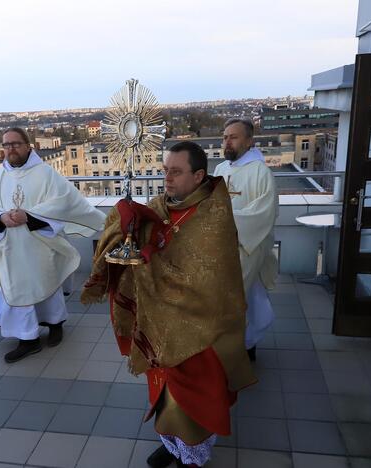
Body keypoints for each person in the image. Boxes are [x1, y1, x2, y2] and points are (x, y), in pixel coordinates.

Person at [82, 141, 255, 468]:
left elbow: (204, 279)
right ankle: (172, 444)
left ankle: (191, 454)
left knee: (194, 399)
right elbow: (138, 239)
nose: (167, 178)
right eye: (164, 171)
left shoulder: (214, 215)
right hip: (159, 323)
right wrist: (125, 224)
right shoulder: (161, 205)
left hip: (200, 328)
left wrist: (150, 258)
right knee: (162, 389)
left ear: (198, 174)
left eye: (176, 172)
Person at [0, 128, 106, 363]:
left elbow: (65, 201)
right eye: (6, 145)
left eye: (16, 144)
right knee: (18, 289)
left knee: (47, 283)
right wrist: (0, 217)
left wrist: (30, 216)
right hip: (11, 247)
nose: (11, 149)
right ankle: (28, 339)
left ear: (29, 146)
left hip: (40, 243)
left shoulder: (46, 174)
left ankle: (56, 325)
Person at [213, 118, 278, 361]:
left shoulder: (261, 172)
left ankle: (245, 343)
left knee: (241, 299)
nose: (227, 141)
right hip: (221, 246)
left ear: (249, 141)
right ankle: (235, 345)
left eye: (234, 137)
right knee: (238, 298)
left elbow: (264, 212)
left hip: (248, 246)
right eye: (225, 136)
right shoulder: (221, 169)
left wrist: (228, 222)